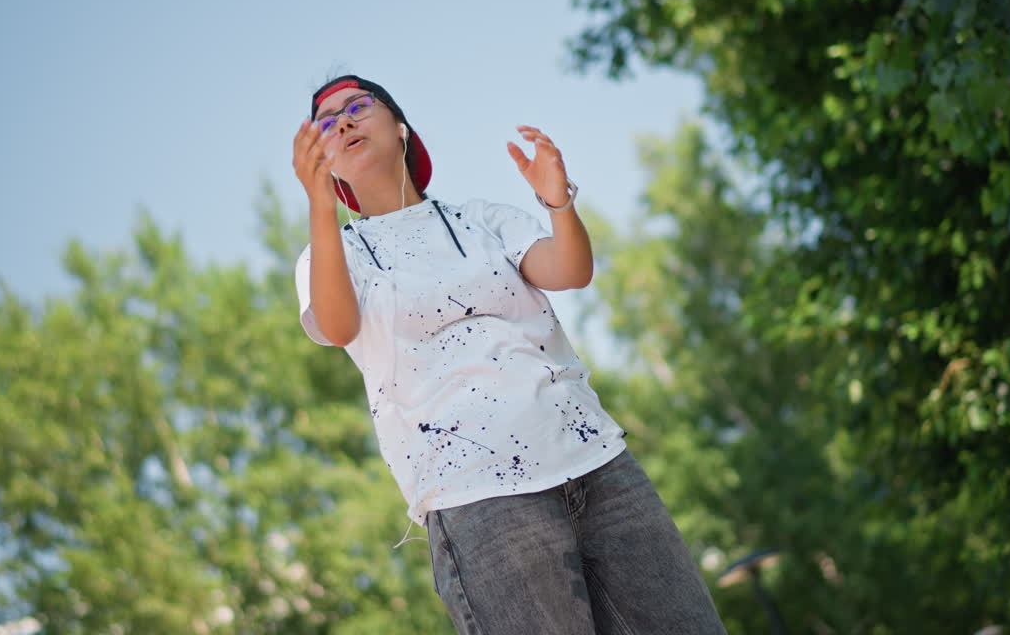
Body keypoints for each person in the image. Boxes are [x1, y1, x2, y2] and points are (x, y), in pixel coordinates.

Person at [291, 74, 727, 635]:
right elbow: (337, 323)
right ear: (322, 158)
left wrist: (557, 201)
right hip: (479, 497)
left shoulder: (482, 219)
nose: (344, 121)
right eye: (327, 122)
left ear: (401, 128)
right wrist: (318, 207)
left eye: (358, 107)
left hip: (597, 463)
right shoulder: (330, 255)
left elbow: (570, 270)